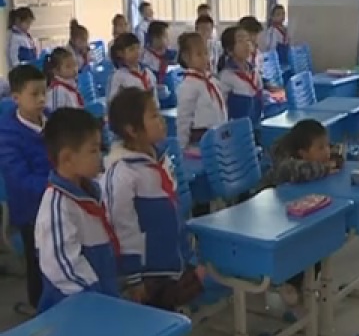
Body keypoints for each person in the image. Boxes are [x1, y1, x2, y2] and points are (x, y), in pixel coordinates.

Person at [103, 87, 204, 311]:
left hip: (171, 258)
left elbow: (172, 208)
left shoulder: (159, 157)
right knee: (157, 317)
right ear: (132, 130)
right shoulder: (122, 173)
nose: (162, 121)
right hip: (148, 270)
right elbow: (122, 227)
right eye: (154, 116)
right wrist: (133, 277)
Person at [35, 108, 119, 312]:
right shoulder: (57, 208)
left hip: (102, 298)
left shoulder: (90, 191)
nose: (100, 156)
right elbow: (63, 269)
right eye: (93, 150)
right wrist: (101, 302)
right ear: (67, 158)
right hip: (75, 310)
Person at [260, 119, 343, 305]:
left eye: (327, 146)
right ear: (302, 153)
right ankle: (291, 283)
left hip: (299, 212)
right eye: (320, 148)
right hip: (274, 214)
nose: (326, 151)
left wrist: (334, 161)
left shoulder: (314, 157)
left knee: (320, 238)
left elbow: (335, 157)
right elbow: (297, 170)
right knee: (303, 242)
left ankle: (305, 284)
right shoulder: (286, 165)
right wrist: (325, 168)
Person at [0, 65, 52, 311]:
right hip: (31, 210)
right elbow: (20, 180)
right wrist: (57, 184)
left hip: (57, 200)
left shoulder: (51, 119)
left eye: (44, 92)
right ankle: (38, 308)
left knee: (58, 256)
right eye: (34, 94)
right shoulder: (8, 136)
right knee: (37, 261)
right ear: (16, 98)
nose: (41, 99)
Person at [176, 32, 227, 149]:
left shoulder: (212, 80)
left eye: (205, 53)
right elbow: (184, 117)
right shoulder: (188, 85)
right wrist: (182, 145)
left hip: (218, 133)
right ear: (186, 58)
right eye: (199, 54)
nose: (204, 58)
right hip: (201, 138)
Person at [218, 26, 263, 126]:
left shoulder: (254, 72)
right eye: (240, 41)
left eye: (248, 40)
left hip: (255, 125)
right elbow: (221, 108)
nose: (247, 44)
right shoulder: (226, 76)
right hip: (237, 128)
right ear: (229, 50)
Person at [107, 33, 158, 105]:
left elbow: (155, 96)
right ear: (120, 53)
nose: (137, 52)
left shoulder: (147, 72)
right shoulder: (118, 76)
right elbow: (113, 102)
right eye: (131, 49)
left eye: (138, 48)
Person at [141, 21, 171, 85]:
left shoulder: (169, 54)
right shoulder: (146, 56)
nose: (168, 39)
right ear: (155, 38)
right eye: (165, 36)